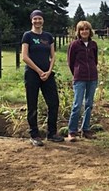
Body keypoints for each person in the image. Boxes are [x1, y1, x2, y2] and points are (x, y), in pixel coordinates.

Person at [21, 10, 64, 146]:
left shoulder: (48, 36)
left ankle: (52, 133)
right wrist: (39, 71)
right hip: (32, 74)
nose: (37, 21)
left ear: (43, 20)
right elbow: (24, 57)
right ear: (31, 20)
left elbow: (53, 56)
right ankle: (34, 135)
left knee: (54, 103)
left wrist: (49, 71)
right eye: (35, 19)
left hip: (47, 75)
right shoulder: (27, 36)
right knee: (32, 104)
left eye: (40, 18)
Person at [67, 21, 99, 142]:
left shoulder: (93, 45)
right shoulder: (74, 45)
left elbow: (95, 60)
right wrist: (76, 72)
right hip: (80, 78)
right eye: (81, 29)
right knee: (77, 105)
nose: (84, 31)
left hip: (92, 78)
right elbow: (71, 62)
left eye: (86, 29)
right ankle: (72, 131)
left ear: (90, 31)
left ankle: (85, 129)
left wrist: (92, 70)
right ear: (78, 32)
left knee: (89, 104)